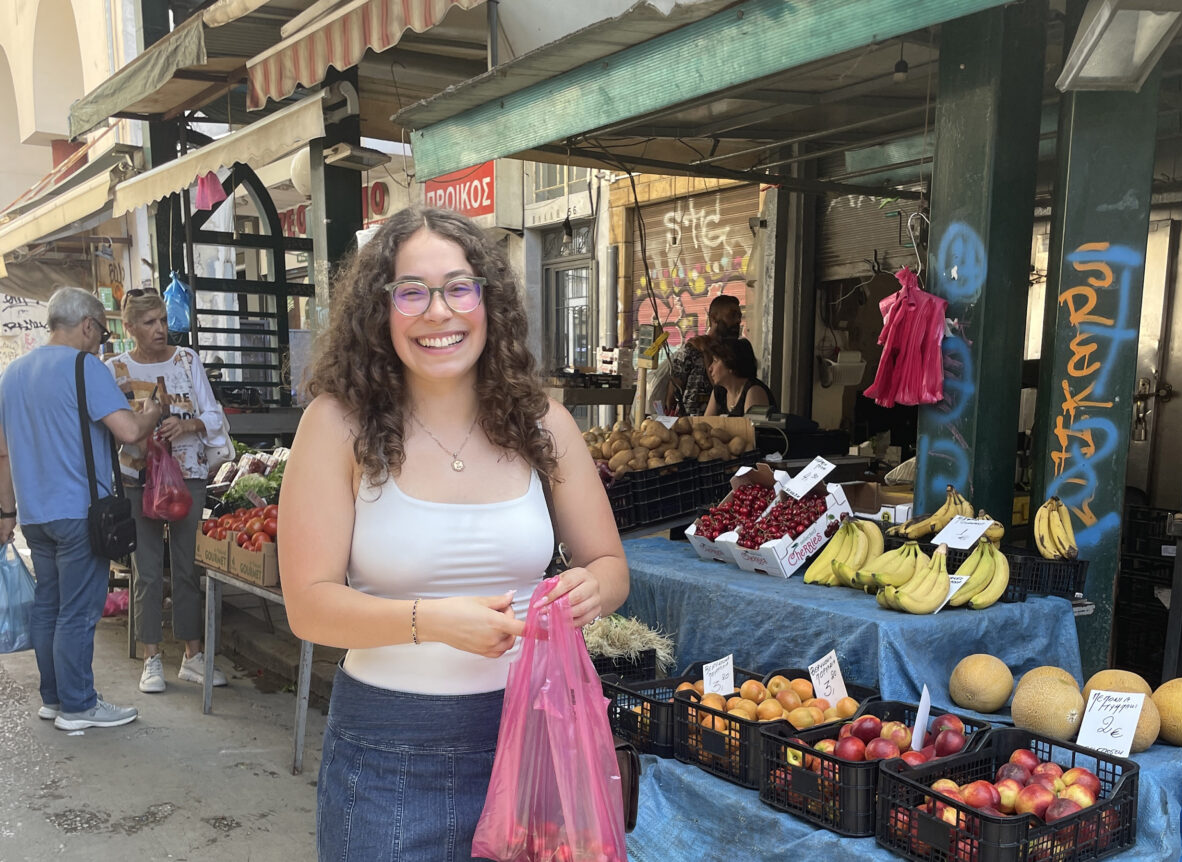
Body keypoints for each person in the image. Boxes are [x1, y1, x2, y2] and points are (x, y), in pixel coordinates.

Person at [277, 205, 629, 861]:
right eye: (411, 291)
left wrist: (591, 589)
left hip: (534, 741)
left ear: (488, 301)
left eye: (458, 287)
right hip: (388, 753)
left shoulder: (544, 424)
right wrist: (432, 622)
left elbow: (609, 563)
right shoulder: (336, 426)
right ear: (380, 311)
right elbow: (309, 604)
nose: (438, 312)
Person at [0, 286, 162, 730]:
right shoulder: (84, 367)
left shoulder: (12, 374)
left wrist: (7, 514)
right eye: (103, 333)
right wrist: (153, 412)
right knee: (77, 611)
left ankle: (53, 698)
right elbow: (128, 431)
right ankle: (78, 704)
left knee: (49, 606)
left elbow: (3, 454)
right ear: (88, 325)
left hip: (34, 515)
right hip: (78, 511)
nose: (101, 342)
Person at [106, 290, 231, 694]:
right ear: (130, 328)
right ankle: (152, 658)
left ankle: (193, 656)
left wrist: (188, 425)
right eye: (149, 322)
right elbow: (109, 426)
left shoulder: (187, 359)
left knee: (187, 566)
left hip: (187, 474)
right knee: (144, 570)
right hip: (136, 478)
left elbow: (213, 413)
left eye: (162, 319)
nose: (160, 328)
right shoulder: (114, 370)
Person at [668, 293, 742, 415]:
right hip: (691, 426)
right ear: (713, 318)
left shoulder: (736, 353)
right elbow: (674, 389)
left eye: (739, 316)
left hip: (723, 426)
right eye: (732, 315)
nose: (738, 321)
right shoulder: (693, 348)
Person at [705, 337, 777, 417]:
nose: (710, 368)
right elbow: (705, 426)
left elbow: (751, 429)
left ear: (730, 363)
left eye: (715, 361)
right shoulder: (719, 391)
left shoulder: (754, 391)